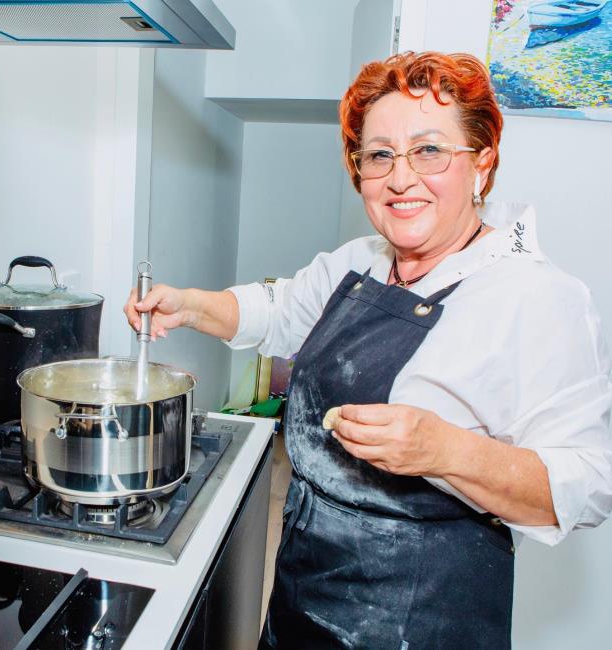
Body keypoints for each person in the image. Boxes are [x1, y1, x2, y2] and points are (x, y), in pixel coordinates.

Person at [125, 52, 612, 649]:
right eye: (379, 155)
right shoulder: (359, 262)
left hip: (424, 617)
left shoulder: (538, 297)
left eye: (429, 150)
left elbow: (588, 485)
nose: (400, 178)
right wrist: (190, 306)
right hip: (305, 589)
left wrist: (446, 450)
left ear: (482, 161)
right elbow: (280, 310)